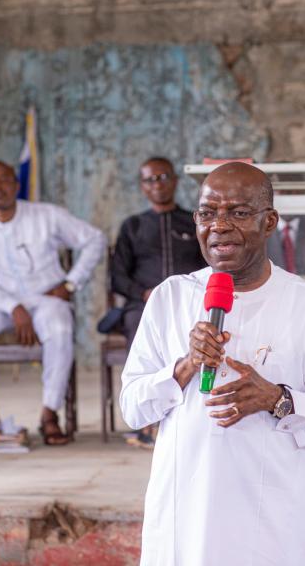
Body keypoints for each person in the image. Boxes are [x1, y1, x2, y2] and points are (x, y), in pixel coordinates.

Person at [120, 162, 305, 566]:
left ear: (269, 222)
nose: (219, 226)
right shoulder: (171, 297)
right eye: (208, 213)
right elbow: (132, 408)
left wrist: (277, 399)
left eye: (238, 212)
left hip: (269, 518)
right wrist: (185, 366)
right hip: (185, 515)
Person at [0, 160, 105, 446]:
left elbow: (94, 239)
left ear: (17, 185)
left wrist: (71, 283)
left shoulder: (47, 215)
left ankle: (50, 413)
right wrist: (13, 307)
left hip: (46, 297)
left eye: (5, 180)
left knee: (60, 327)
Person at [111, 157, 206, 448]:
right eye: (151, 179)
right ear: (142, 186)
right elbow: (118, 277)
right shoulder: (133, 226)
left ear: (175, 181)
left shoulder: (194, 221)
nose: (158, 184)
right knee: (138, 322)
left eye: (163, 177)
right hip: (143, 304)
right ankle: (148, 420)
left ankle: (194, 414)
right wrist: (146, 294)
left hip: (191, 302)